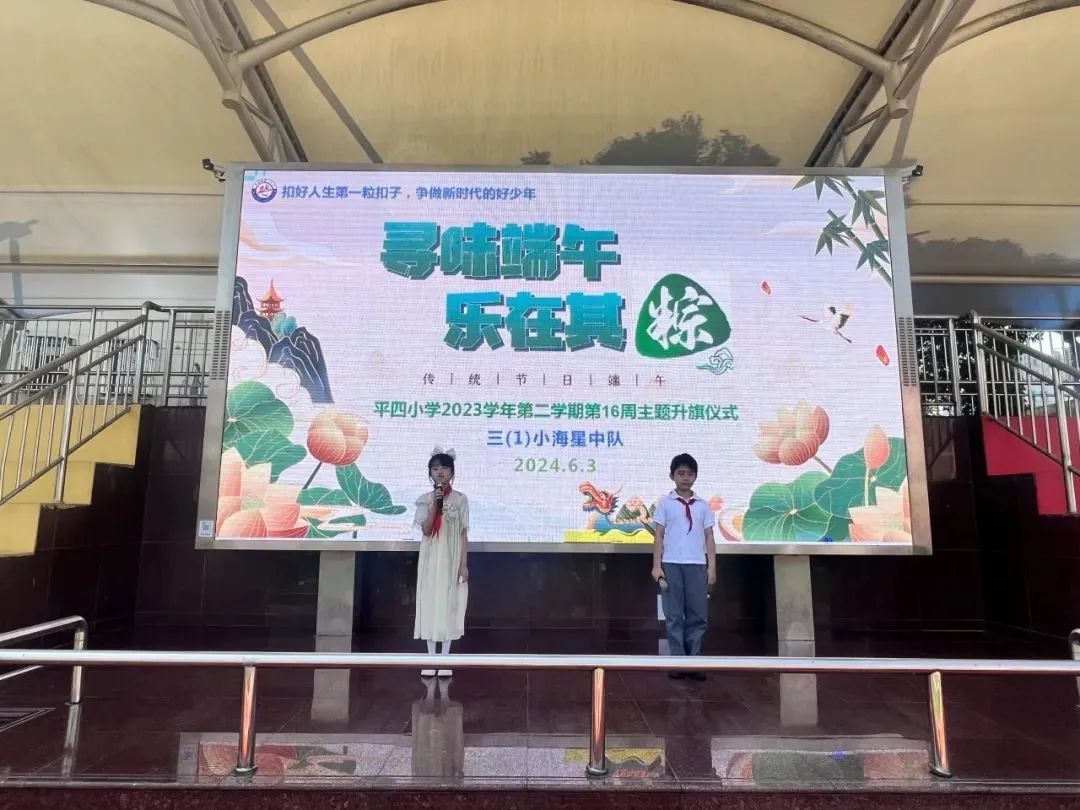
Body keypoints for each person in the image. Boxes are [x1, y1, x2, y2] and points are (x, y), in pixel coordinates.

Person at [650, 453, 716, 681]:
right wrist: (656, 566)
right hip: (672, 564)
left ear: (695, 477)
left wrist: (712, 567)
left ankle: (694, 661)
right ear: (672, 476)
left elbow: (709, 537)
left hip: (697, 564)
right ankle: (677, 661)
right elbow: (658, 536)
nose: (685, 478)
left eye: (690, 474)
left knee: (698, 615)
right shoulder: (665, 504)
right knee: (674, 615)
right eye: (681, 473)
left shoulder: (703, 506)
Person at [414, 447, 470, 678]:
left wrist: (463, 564)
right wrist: (435, 506)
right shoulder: (425, 500)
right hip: (431, 556)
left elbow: (463, 533)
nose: (440, 471)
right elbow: (427, 530)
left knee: (449, 603)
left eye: (444, 467)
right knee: (430, 601)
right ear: (430, 473)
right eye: (435, 468)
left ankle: (445, 658)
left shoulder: (460, 499)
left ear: (452, 472)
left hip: (452, 557)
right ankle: (430, 659)